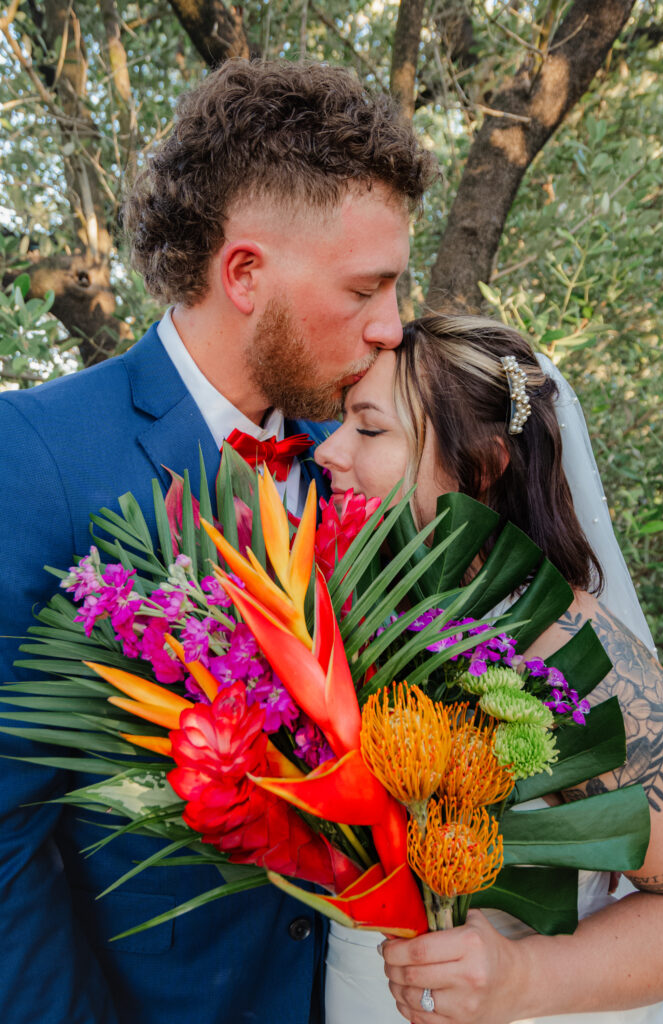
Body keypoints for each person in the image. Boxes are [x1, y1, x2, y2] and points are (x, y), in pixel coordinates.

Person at [0, 60, 436, 1024]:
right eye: (367, 288)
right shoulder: (33, 457)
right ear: (244, 274)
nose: (391, 328)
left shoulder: (370, 457)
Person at [315, 313, 663, 1024]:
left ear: (481, 465)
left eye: (368, 429)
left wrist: (523, 976)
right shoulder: (337, 620)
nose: (327, 450)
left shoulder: (565, 646)